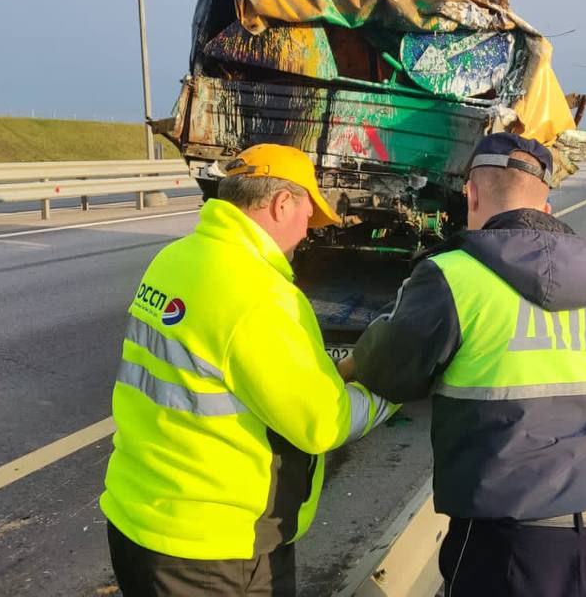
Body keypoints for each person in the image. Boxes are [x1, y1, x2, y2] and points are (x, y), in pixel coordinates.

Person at [100, 143, 396, 596]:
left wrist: (334, 368)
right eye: (307, 218)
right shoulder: (260, 293)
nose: (307, 234)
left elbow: (228, 370)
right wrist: (390, 390)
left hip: (136, 519)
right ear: (281, 203)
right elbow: (322, 424)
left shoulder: (174, 259)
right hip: (213, 550)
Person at [350, 133, 586, 596]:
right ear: (546, 207)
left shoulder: (452, 274)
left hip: (505, 536)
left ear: (472, 194)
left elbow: (388, 373)